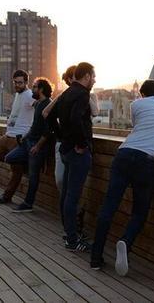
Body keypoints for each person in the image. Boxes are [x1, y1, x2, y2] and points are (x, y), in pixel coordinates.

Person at [90, 80, 154, 275]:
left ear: (141, 94)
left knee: (109, 206)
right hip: (146, 160)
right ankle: (126, 241)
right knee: (140, 211)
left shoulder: (136, 105)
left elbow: (137, 127)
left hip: (123, 154)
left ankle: (95, 258)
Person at [43, 65, 99, 238]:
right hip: (77, 153)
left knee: (67, 195)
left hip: (65, 149)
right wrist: (81, 144)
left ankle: (69, 232)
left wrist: (62, 136)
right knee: (73, 196)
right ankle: (72, 238)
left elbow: (49, 116)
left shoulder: (66, 93)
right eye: (94, 76)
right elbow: (76, 118)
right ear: (87, 76)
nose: (95, 80)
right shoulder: (82, 93)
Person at [5, 77, 54, 213]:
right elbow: (34, 126)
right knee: (9, 158)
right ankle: (30, 165)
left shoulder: (47, 105)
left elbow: (48, 130)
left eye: (34, 87)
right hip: (28, 142)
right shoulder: (38, 103)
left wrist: (37, 147)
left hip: (37, 146)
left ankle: (28, 203)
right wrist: (24, 137)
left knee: (33, 176)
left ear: (41, 89)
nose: (32, 89)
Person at [0, 69, 35, 204]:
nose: (17, 85)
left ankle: (6, 197)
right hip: (8, 135)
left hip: (18, 137)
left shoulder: (30, 95)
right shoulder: (18, 95)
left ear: (26, 82)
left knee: (16, 173)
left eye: (20, 82)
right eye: (15, 82)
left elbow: (42, 106)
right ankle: (19, 161)